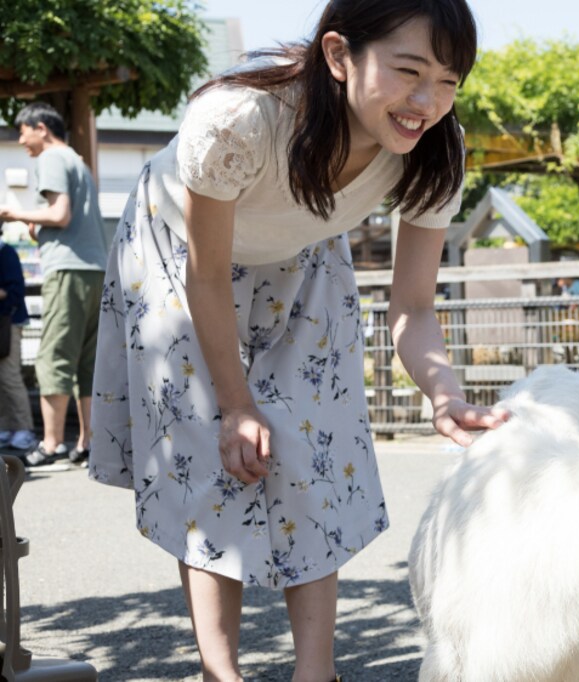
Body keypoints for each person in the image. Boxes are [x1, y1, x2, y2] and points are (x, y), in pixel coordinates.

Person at [87, 1, 505, 680]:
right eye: (409, 72)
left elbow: (415, 306)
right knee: (210, 454)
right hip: (181, 254)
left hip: (306, 248)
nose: (427, 102)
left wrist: (443, 392)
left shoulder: (436, 149)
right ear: (339, 56)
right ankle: (219, 672)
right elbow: (208, 274)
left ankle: (317, 672)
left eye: (450, 81)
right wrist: (235, 406)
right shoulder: (239, 120)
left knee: (311, 449)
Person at [0, 102, 109, 467]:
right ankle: (86, 441)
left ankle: (50, 444)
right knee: (86, 361)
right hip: (95, 270)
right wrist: (37, 224)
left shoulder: (50, 158)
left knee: (54, 356)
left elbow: (59, 214)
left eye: (23, 131)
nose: (21, 140)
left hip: (67, 271)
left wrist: (13, 213)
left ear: (42, 128)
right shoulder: (79, 162)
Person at [0, 241, 37, 451]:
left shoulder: (6, 252)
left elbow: (15, 291)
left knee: (9, 376)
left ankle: (24, 428)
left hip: (8, 323)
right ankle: (6, 426)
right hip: (5, 322)